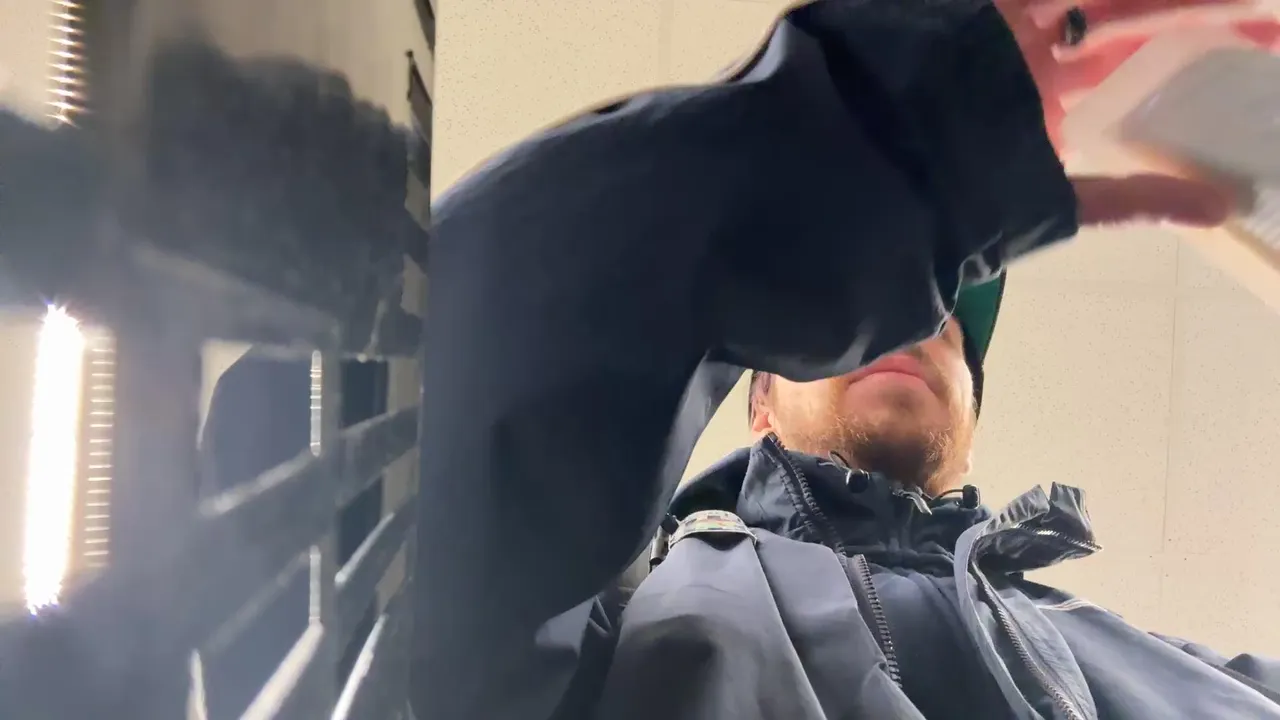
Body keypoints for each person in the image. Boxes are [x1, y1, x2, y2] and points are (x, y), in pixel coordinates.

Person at [411, 0, 1280, 718]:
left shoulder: (1180, 670)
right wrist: (853, 151)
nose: (916, 332)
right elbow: (445, 425)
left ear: (971, 429)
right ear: (758, 405)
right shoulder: (623, 613)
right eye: (878, 325)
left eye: (947, 332)